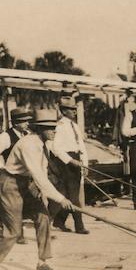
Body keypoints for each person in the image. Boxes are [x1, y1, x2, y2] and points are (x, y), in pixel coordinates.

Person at [0, 109, 74, 270]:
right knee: (14, 230)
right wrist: (61, 198)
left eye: (55, 128)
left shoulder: (44, 143)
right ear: (40, 129)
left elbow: (42, 170)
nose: (54, 131)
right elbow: (38, 174)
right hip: (10, 183)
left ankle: (43, 263)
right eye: (50, 128)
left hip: (27, 182)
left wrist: (40, 189)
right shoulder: (28, 144)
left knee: (44, 217)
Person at [0, 108, 33, 244]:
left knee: (23, 207)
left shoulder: (27, 135)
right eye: (24, 121)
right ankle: (18, 235)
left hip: (26, 176)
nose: (27, 124)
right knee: (14, 208)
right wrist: (2, 167)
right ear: (16, 123)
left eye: (28, 121)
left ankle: (19, 233)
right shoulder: (6, 136)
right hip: (12, 176)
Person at [50, 96, 90, 234]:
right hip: (66, 162)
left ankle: (59, 220)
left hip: (77, 159)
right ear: (64, 111)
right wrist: (70, 161)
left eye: (74, 109)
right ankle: (79, 226)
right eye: (71, 109)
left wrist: (85, 164)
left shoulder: (75, 126)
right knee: (73, 196)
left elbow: (81, 146)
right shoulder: (59, 126)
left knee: (70, 193)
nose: (74, 112)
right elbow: (55, 148)